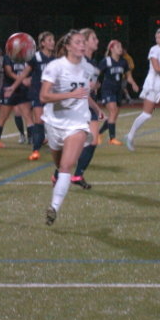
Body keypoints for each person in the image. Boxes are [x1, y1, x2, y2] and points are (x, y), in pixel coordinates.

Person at [41, 29, 102, 226]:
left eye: (83, 42)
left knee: (67, 166)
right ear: (67, 46)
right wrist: (70, 95)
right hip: (55, 122)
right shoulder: (55, 67)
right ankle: (58, 178)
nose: (82, 45)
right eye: (77, 42)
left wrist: (96, 108)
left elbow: (84, 93)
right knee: (59, 165)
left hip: (78, 123)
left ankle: (54, 207)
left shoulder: (89, 68)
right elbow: (44, 96)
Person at [4, 31, 55, 160]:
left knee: (55, 123)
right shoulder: (35, 57)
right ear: (42, 43)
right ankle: (35, 151)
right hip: (39, 95)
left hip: (52, 96)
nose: (52, 42)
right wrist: (13, 87)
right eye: (49, 40)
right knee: (39, 122)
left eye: (53, 40)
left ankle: (55, 144)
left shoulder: (55, 60)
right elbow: (23, 74)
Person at [70, 27, 102, 189]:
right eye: (93, 39)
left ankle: (75, 175)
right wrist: (97, 108)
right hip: (80, 105)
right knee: (81, 142)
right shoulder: (81, 62)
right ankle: (71, 175)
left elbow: (89, 86)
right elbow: (80, 90)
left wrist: (95, 86)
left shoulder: (92, 63)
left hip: (87, 103)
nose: (97, 41)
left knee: (88, 141)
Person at [0, 41, 33, 148]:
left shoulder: (27, 57)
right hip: (9, 89)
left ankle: (31, 139)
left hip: (22, 90)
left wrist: (29, 79)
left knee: (28, 115)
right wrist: (22, 80)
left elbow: (30, 71)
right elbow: (9, 72)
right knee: (4, 116)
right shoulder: (8, 57)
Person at [98, 39, 139, 144]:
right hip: (107, 90)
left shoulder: (123, 61)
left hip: (118, 90)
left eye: (121, 47)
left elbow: (128, 76)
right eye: (118, 47)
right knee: (113, 111)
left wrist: (133, 83)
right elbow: (97, 73)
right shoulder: (106, 61)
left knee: (114, 114)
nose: (120, 49)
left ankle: (99, 133)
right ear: (111, 49)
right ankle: (112, 138)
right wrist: (94, 84)